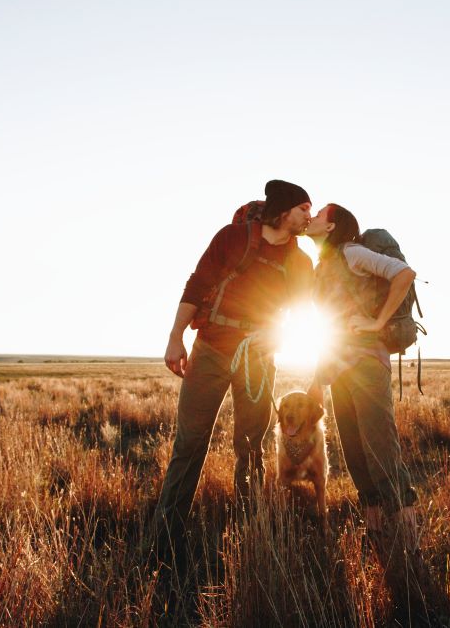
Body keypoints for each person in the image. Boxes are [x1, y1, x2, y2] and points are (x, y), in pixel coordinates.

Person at [154, 180, 314, 576]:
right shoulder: (232, 238)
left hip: (258, 358)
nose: (309, 217)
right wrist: (175, 337)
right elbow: (198, 283)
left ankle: (249, 537)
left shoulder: (300, 263)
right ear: (284, 211)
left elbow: (301, 315)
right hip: (210, 349)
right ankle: (161, 543)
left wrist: (273, 338)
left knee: (250, 449)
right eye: (304, 209)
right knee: (189, 445)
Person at [305, 203, 432, 619]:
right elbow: (327, 324)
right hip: (340, 367)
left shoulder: (351, 253)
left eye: (318, 214)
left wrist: (377, 324)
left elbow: (404, 274)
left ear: (332, 225)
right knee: (359, 461)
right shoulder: (321, 267)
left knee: (381, 456)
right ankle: (383, 550)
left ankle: (411, 557)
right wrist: (318, 376)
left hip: (366, 363)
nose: (311, 218)